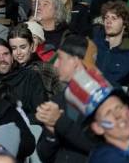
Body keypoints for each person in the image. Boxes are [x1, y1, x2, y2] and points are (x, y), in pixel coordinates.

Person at [36, 34, 95, 163]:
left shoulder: (104, 98)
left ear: (75, 62)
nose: (55, 65)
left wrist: (59, 121)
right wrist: (50, 133)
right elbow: (44, 155)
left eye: (60, 58)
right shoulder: (58, 100)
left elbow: (98, 146)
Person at [65, 67, 129, 162]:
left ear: (128, 110)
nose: (117, 115)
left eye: (118, 107)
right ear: (98, 128)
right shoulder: (107, 159)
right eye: (108, 113)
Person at [0, 38, 47, 120]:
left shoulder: (30, 77)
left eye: (6, 54)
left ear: (12, 57)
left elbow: (41, 111)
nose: (2, 59)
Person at [93, 0, 129, 87]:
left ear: (125, 24)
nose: (108, 21)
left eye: (114, 18)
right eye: (106, 17)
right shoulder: (92, 46)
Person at [7, 24, 62, 100]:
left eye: (23, 47)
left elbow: (63, 99)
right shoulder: (7, 71)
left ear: (31, 46)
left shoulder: (46, 69)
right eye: (13, 48)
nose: (18, 52)